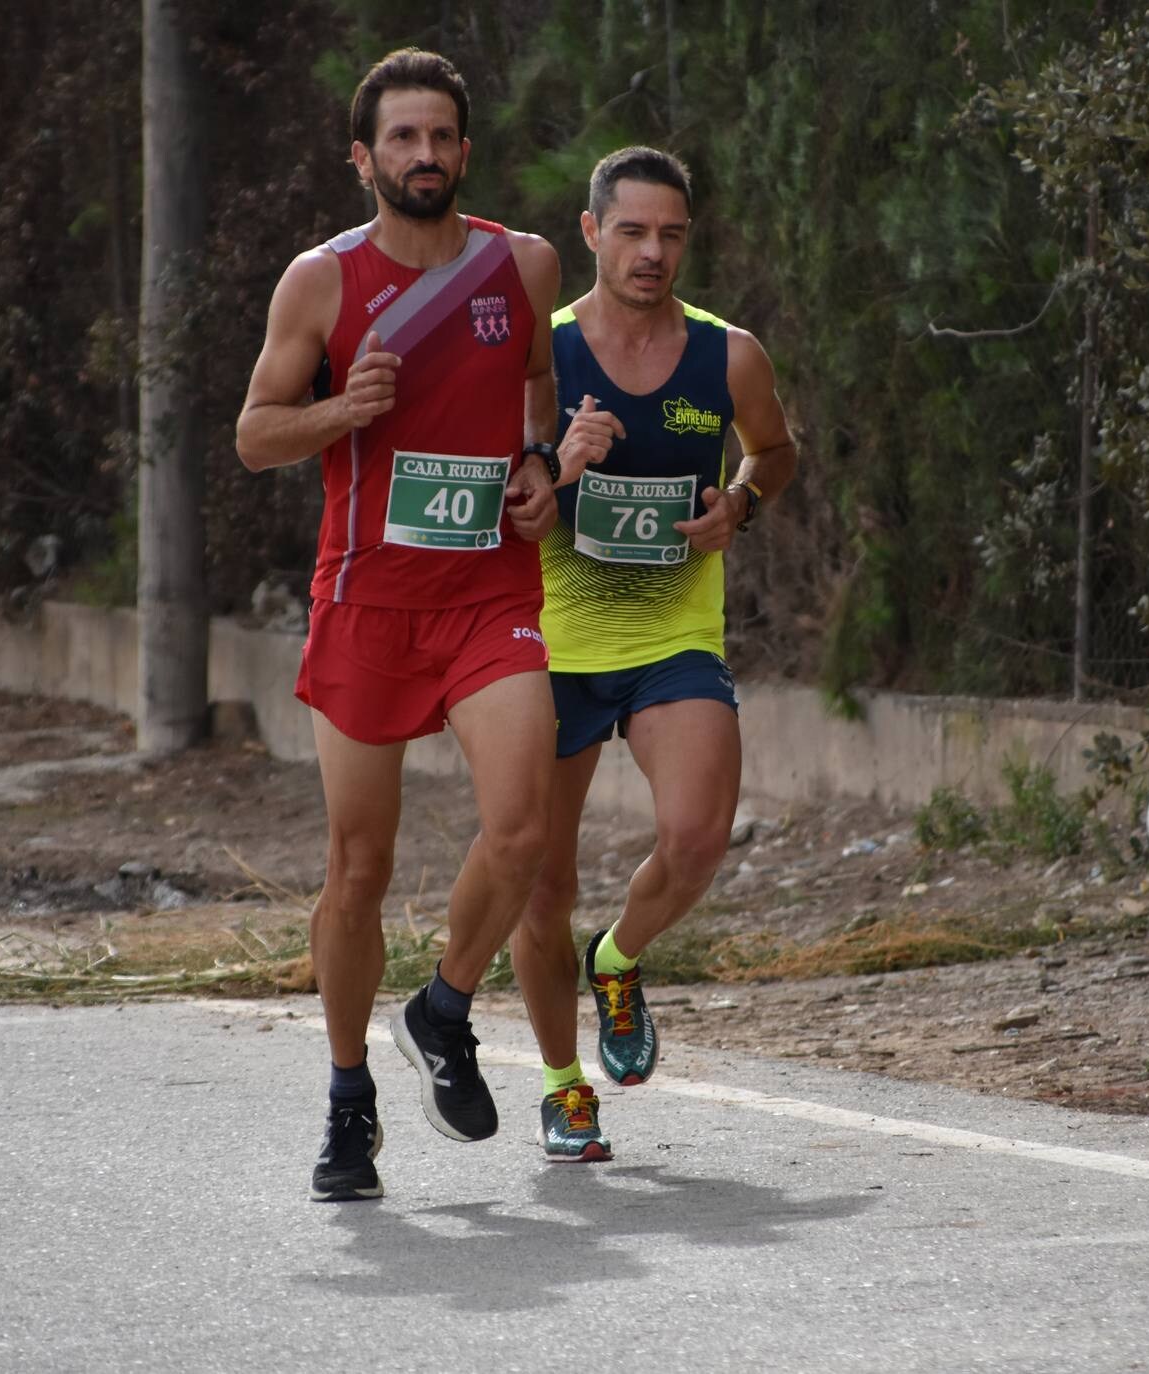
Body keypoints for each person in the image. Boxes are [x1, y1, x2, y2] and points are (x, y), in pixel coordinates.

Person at [234, 49, 566, 1202]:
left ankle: (443, 1006)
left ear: (464, 153)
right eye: (402, 139)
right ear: (363, 158)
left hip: (487, 592)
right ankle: (345, 1100)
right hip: (367, 601)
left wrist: (536, 465)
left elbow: (539, 385)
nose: (423, 156)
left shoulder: (521, 263)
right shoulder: (319, 283)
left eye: (442, 138)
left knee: (522, 828)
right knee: (358, 866)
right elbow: (255, 434)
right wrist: (344, 408)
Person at [508, 147, 798, 1162]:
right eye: (631, 231)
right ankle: (560, 1084)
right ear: (590, 233)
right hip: (546, 644)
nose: (653, 251)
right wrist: (557, 462)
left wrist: (741, 503)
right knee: (536, 886)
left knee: (695, 836)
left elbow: (775, 448)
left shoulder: (729, 356)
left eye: (671, 234)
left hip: (673, 632)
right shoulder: (536, 357)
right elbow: (501, 502)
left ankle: (619, 960)